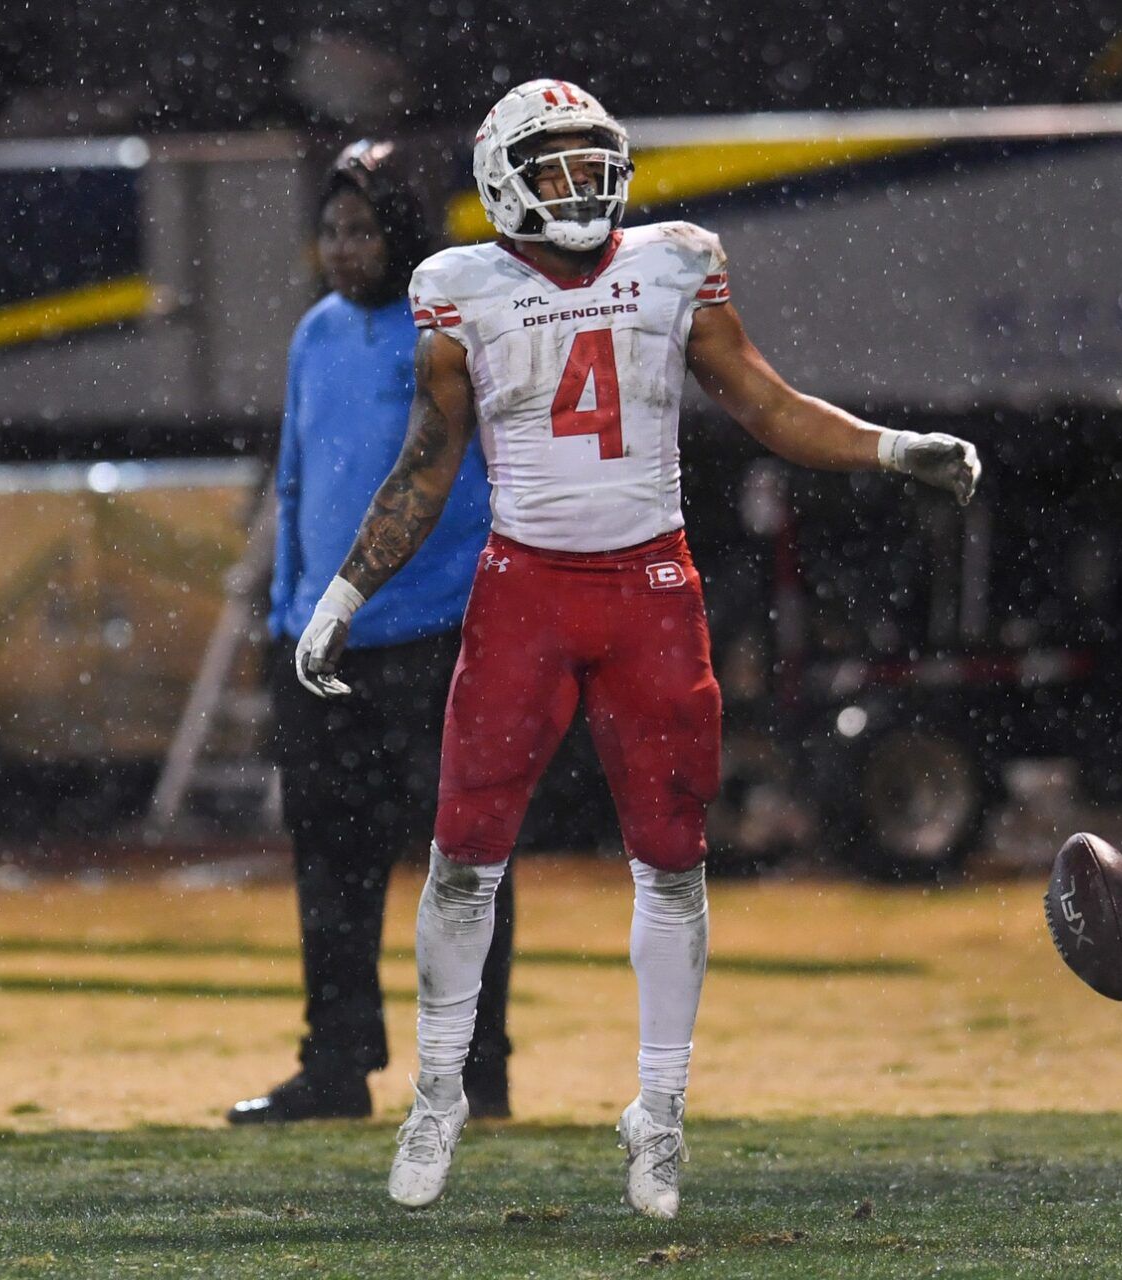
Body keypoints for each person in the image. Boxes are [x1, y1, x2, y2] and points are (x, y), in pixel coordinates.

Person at [294, 82, 978, 1216]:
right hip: (524, 590)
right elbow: (428, 460)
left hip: (651, 586)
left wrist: (889, 446)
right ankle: (437, 1093)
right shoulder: (457, 289)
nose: (583, 183)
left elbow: (763, 401)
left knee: (672, 856)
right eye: (554, 164)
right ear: (505, 177)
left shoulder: (675, 260)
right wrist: (344, 592)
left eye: (590, 159)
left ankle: (658, 1111)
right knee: (463, 851)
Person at [230, 140, 516, 1127]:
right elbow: (298, 477)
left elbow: (470, 478)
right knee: (330, 867)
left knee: (461, 862)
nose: (343, 249)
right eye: (331, 230)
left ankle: (478, 1071)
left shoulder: (450, 326)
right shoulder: (314, 333)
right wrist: (284, 616)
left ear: (405, 232)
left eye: (363, 229)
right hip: (326, 647)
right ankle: (336, 1064)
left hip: (437, 635)